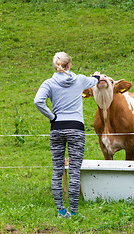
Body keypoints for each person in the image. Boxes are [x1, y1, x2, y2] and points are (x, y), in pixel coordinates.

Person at [34, 52, 102, 218]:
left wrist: (52, 117)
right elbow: (94, 81)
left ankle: (60, 211)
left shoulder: (48, 83)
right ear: (69, 65)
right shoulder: (79, 80)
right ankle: (74, 212)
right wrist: (97, 76)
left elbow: (38, 101)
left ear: (55, 66)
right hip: (76, 128)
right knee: (74, 171)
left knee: (57, 170)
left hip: (57, 128)